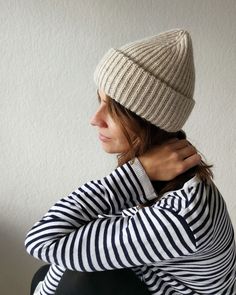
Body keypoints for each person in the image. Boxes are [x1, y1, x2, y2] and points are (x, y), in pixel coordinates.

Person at [25, 29, 236, 295]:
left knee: (80, 279)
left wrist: (138, 175)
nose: (95, 119)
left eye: (113, 110)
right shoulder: (165, 173)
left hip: (161, 285)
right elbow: (82, 237)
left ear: (149, 120)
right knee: (48, 274)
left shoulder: (181, 213)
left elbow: (42, 240)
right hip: (151, 277)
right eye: (100, 101)